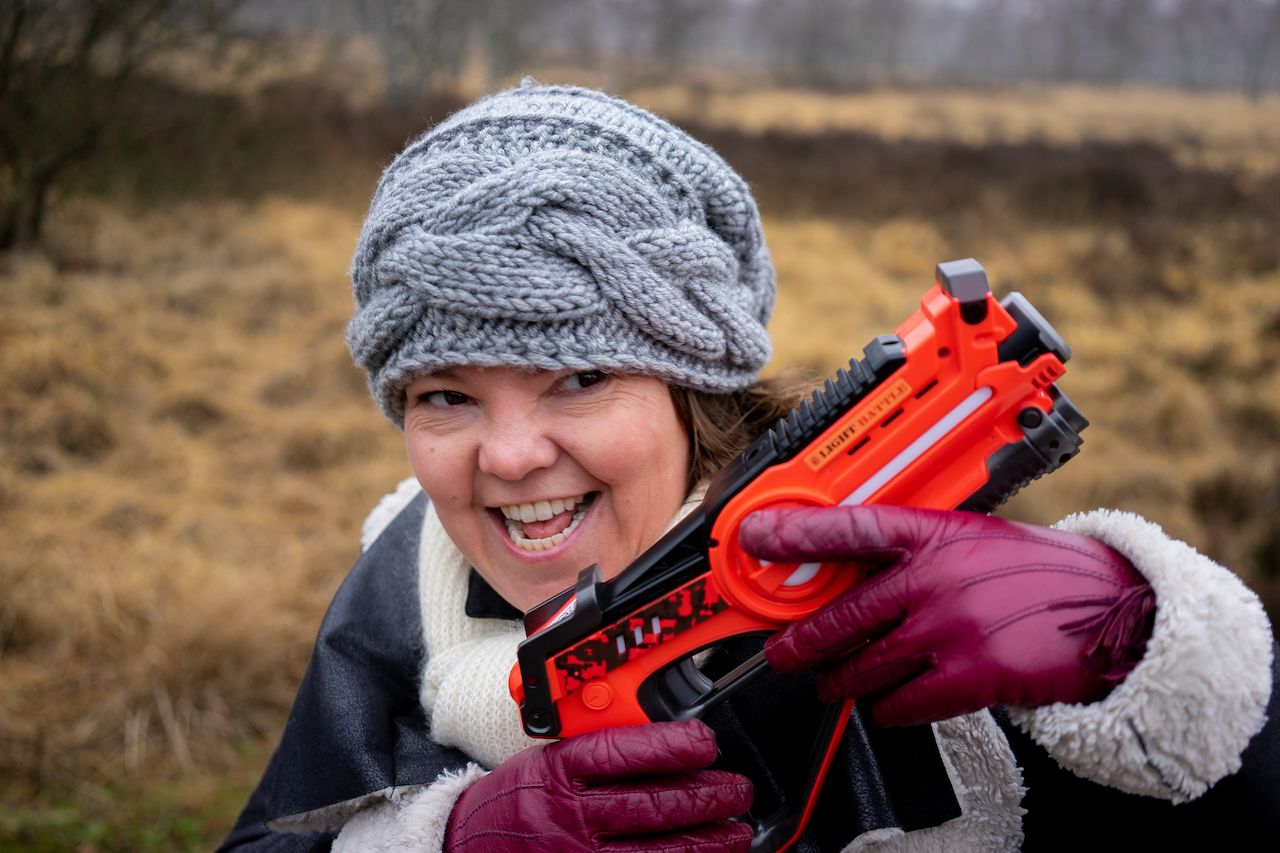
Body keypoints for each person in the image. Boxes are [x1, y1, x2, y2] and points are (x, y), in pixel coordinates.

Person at [219, 82, 1279, 852]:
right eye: (444, 395)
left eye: (579, 376)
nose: (505, 455)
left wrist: (1147, 656)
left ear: (693, 394)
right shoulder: (405, 577)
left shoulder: (925, 598)